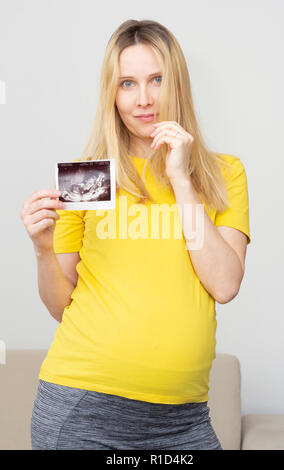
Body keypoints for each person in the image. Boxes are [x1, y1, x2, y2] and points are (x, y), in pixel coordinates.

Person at [20, 19, 251, 450]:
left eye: (157, 80)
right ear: (112, 93)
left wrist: (181, 179)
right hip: (81, 406)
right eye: (127, 83)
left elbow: (224, 284)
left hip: (184, 419)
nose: (144, 99)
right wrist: (43, 250)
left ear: (177, 83)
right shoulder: (91, 177)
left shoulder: (221, 173)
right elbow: (61, 306)